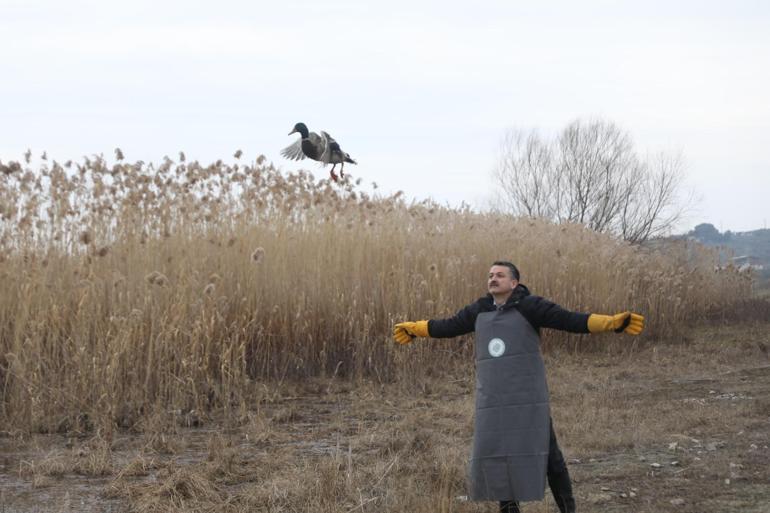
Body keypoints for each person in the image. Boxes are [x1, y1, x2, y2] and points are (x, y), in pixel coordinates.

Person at [392, 261, 644, 513]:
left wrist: (610, 323)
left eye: (500, 275)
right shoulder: (479, 309)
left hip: (527, 399)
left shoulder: (530, 306)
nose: (493, 279)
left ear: (514, 283)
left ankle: (568, 509)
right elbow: (449, 325)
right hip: (494, 401)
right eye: (490, 275)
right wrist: (417, 329)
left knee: (549, 457)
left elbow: (568, 320)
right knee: (503, 457)